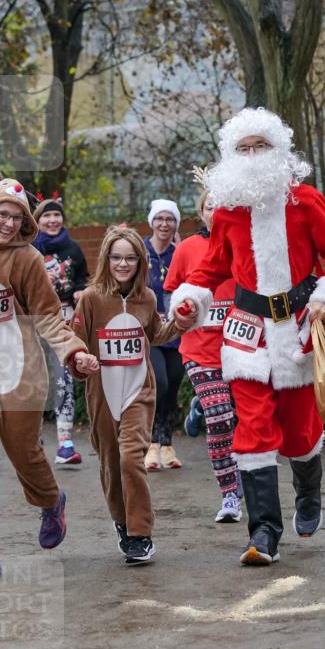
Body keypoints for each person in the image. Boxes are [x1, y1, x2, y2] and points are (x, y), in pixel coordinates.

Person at [171, 108, 325, 567]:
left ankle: (308, 491)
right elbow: (210, 267)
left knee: (299, 434)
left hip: (297, 331)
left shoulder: (306, 201)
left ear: (279, 151)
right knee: (253, 431)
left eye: (261, 146)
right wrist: (190, 301)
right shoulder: (228, 213)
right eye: (244, 148)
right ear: (230, 156)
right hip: (246, 336)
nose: (253, 155)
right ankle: (263, 531)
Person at [0, 178, 98, 578]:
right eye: (1, 214)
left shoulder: (28, 259)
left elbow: (47, 316)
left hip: (20, 374)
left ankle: (51, 501)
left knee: (25, 454)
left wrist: (75, 351)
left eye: (16, 217)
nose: (8, 223)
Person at [72, 226, 193, 564]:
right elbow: (74, 343)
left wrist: (182, 321)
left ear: (140, 262)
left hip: (139, 390)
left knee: (130, 458)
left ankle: (140, 533)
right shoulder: (91, 298)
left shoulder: (147, 298)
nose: (123, 264)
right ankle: (122, 523)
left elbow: (156, 333)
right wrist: (80, 360)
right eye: (116, 257)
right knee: (111, 463)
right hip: (102, 392)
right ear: (106, 259)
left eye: (130, 258)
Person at [164, 189, 242, 523]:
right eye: (210, 207)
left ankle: (200, 406)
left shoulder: (245, 245)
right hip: (199, 351)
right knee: (221, 420)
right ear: (202, 211)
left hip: (240, 349)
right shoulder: (187, 249)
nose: (216, 212)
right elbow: (173, 292)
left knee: (243, 420)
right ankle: (230, 496)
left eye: (223, 206)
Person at [33, 195, 89, 465]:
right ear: (38, 220)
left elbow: (81, 279)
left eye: (57, 216)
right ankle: (32, 434)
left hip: (63, 319)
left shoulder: (74, 249)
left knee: (63, 379)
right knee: (35, 380)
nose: (52, 220)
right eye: (47, 216)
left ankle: (65, 443)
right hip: (33, 322)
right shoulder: (29, 250)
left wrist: (80, 292)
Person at [144, 199, 184, 471]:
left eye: (170, 219)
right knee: (158, 383)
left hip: (178, 331)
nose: (164, 224)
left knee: (172, 386)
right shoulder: (141, 251)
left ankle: (167, 445)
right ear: (152, 222)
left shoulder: (179, 253)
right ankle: (150, 444)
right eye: (160, 218)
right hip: (150, 333)